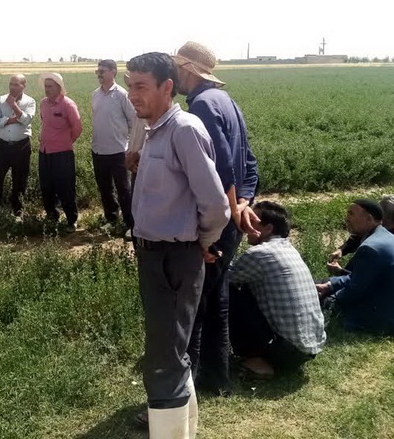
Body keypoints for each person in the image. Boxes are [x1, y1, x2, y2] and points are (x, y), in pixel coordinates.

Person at [127, 52, 230, 439]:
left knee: (164, 357)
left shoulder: (184, 130)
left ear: (167, 87)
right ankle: (182, 428)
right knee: (170, 349)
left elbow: (216, 205)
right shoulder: (154, 129)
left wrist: (199, 242)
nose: (132, 94)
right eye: (130, 85)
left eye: (141, 86)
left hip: (175, 256)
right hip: (156, 254)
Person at [173, 41, 260, 395]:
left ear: (188, 70)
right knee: (217, 296)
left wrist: (231, 209)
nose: (174, 75)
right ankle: (217, 377)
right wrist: (245, 203)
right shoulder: (227, 101)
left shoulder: (202, 106)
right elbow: (250, 162)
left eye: (177, 67)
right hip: (232, 216)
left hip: (217, 218)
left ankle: (187, 386)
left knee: (195, 301)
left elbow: (223, 166)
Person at [228, 201, 326, 378]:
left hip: (285, 351)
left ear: (268, 228)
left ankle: (257, 361)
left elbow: (224, 280)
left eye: (252, 220)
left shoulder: (259, 254)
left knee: (228, 293)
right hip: (308, 349)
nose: (245, 225)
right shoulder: (289, 249)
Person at [316, 199, 394, 340]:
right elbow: (360, 278)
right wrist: (330, 285)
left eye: (351, 214)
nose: (347, 218)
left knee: (320, 297)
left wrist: (332, 297)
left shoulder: (370, 247)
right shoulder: (383, 235)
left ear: (369, 219)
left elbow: (355, 290)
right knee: (325, 284)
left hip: (390, 320)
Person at [91, 59, 136, 228]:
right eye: (98, 71)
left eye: (102, 71)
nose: (99, 74)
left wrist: (129, 145)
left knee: (124, 189)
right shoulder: (95, 94)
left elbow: (133, 121)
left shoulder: (122, 94)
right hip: (98, 150)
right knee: (105, 188)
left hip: (118, 151)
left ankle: (130, 224)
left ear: (113, 72)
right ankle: (111, 219)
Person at [0, 74, 36, 217]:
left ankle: (18, 212)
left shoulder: (30, 101)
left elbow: (26, 120)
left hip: (22, 147)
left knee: (20, 181)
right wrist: (12, 120)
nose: (12, 87)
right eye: (11, 84)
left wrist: (13, 105)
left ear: (24, 86)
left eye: (16, 84)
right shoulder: (0, 100)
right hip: (2, 146)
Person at [38, 72, 83, 231]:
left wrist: (65, 142)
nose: (47, 89)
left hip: (63, 153)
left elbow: (77, 128)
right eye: (45, 86)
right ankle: (52, 217)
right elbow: (44, 122)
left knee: (65, 187)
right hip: (44, 152)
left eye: (50, 86)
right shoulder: (43, 103)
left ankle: (72, 220)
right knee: (46, 186)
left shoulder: (68, 104)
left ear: (59, 87)